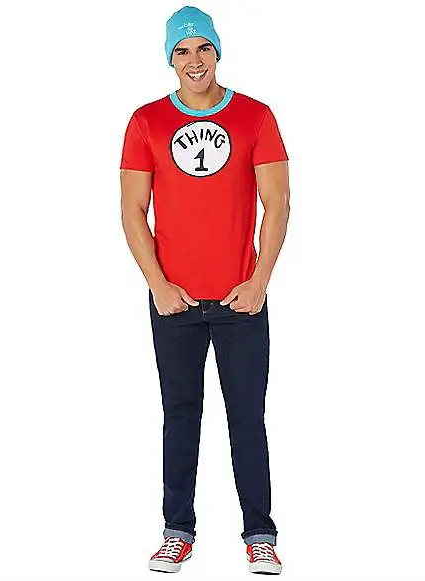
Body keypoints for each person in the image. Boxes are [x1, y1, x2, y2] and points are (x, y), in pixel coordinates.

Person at [119, 5, 290, 575]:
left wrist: (259, 281)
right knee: (180, 417)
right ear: (169, 59)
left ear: (217, 51)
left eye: (203, 48)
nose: (194, 61)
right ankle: (177, 531)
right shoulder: (146, 122)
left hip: (243, 300)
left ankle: (260, 534)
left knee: (248, 419)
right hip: (176, 303)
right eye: (182, 51)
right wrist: (158, 285)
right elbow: (132, 210)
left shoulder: (255, 116)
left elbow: (277, 203)